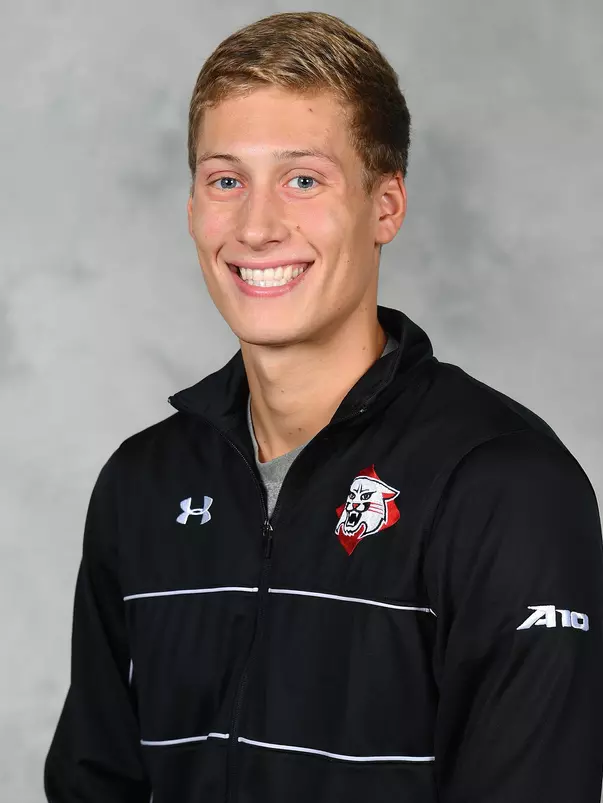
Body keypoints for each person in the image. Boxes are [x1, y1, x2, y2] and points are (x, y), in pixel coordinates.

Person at [44, 10, 603, 803]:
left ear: (385, 207)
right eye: (225, 179)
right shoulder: (141, 484)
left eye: (303, 179)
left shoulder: (506, 488)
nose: (257, 226)